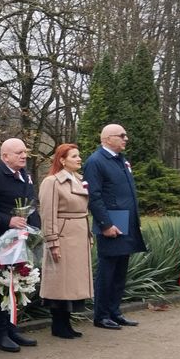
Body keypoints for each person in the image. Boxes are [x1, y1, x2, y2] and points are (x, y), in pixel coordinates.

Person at [0, 138, 41, 352]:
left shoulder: (25, 175)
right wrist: (8, 220)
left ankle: (13, 328)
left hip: (24, 239)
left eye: (25, 152)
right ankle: (0, 333)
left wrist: (36, 232)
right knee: (3, 285)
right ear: (5, 156)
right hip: (3, 242)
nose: (24, 156)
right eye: (19, 153)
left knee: (19, 283)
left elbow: (31, 204)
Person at [83, 124, 146, 330]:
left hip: (125, 219)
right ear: (107, 139)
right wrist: (106, 224)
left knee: (120, 270)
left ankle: (115, 311)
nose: (126, 138)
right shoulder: (96, 161)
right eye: (121, 135)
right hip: (111, 222)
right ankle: (101, 315)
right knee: (107, 270)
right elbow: (95, 196)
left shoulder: (121, 160)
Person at [39, 143, 93, 339]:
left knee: (71, 283)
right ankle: (58, 324)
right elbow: (47, 214)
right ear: (62, 160)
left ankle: (66, 323)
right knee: (60, 282)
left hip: (78, 234)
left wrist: (88, 235)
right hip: (63, 236)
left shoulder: (79, 180)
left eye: (79, 156)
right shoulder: (51, 182)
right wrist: (52, 241)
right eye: (74, 156)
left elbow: (84, 211)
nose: (79, 159)